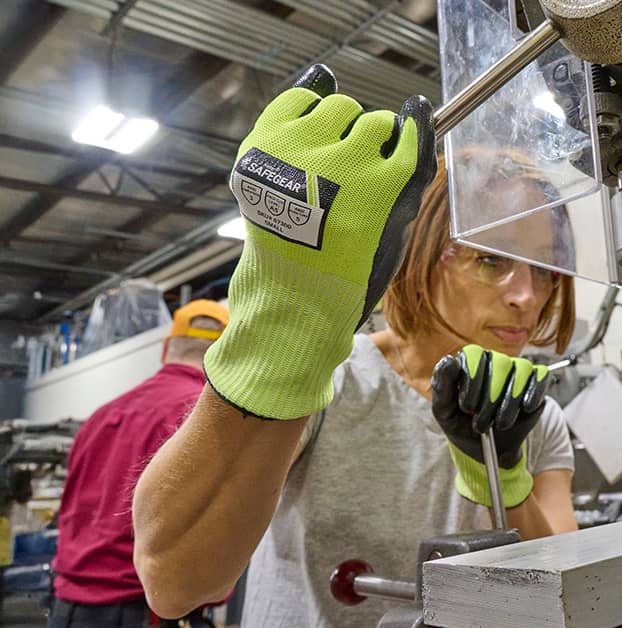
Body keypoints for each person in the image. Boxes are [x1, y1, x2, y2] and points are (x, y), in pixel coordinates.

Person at [131, 65, 579, 627]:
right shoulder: (334, 381)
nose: (526, 297)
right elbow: (174, 581)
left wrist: (506, 476)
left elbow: (575, 592)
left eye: (544, 272)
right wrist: (284, 340)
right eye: (492, 260)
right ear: (416, 252)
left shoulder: (535, 417)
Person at [49, 299, 230, 628]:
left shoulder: (100, 417)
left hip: (67, 607)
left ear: (164, 350)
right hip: (143, 610)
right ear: (228, 356)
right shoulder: (205, 421)